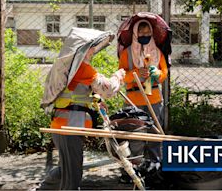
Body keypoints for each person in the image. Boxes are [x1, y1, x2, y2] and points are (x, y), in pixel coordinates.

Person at [36, 28, 126, 190]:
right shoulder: (82, 68)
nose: (94, 50)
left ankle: (43, 189)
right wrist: (117, 77)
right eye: (91, 47)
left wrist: (95, 99)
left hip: (63, 126)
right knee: (72, 175)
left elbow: (75, 93)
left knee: (66, 169)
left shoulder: (69, 67)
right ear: (82, 49)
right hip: (69, 128)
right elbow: (108, 88)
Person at [118, 20, 168, 171]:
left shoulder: (157, 52)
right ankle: (134, 168)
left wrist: (157, 73)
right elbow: (121, 75)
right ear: (135, 33)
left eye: (148, 33)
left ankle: (155, 166)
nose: (145, 35)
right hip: (134, 101)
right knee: (136, 136)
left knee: (154, 134)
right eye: (141, 33)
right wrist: (135, 74)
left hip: (154, 99)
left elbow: (164, 73)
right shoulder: (127, 53)